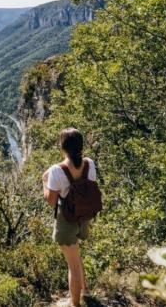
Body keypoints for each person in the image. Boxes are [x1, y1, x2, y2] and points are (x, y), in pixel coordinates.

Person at [42, 128, 97, 307]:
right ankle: (85, 290)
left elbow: (51, 201)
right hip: (84, 217)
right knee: (76, 254)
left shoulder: (57, 171)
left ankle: (75, 304)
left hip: (67, 221)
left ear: (62, 147)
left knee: (72, 264)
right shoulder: (89, 163)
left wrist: (45, 182)